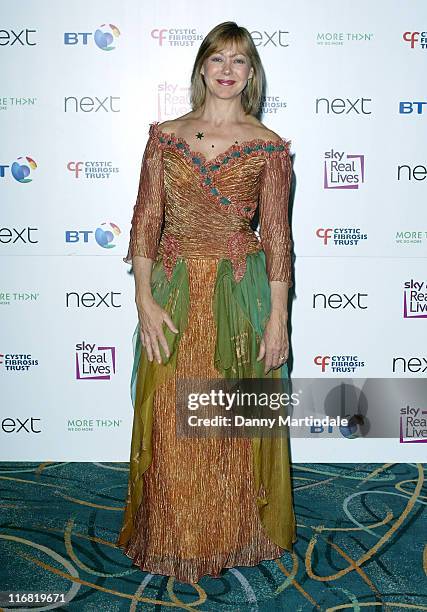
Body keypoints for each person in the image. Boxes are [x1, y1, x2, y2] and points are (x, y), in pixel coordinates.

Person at [116, 20, 297, 584]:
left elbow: (278, 241)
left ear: (251, 74)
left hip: (238, 296)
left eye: (239, 61)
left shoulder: (268, 146)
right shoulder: (165, 137)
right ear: (200, 67)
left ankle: (230, 531)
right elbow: (145, 225)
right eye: (217, 58)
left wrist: (277, 319)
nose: (226, 70)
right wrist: (144, 299)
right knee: (171, 418)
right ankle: (173, 531)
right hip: (172, 292)